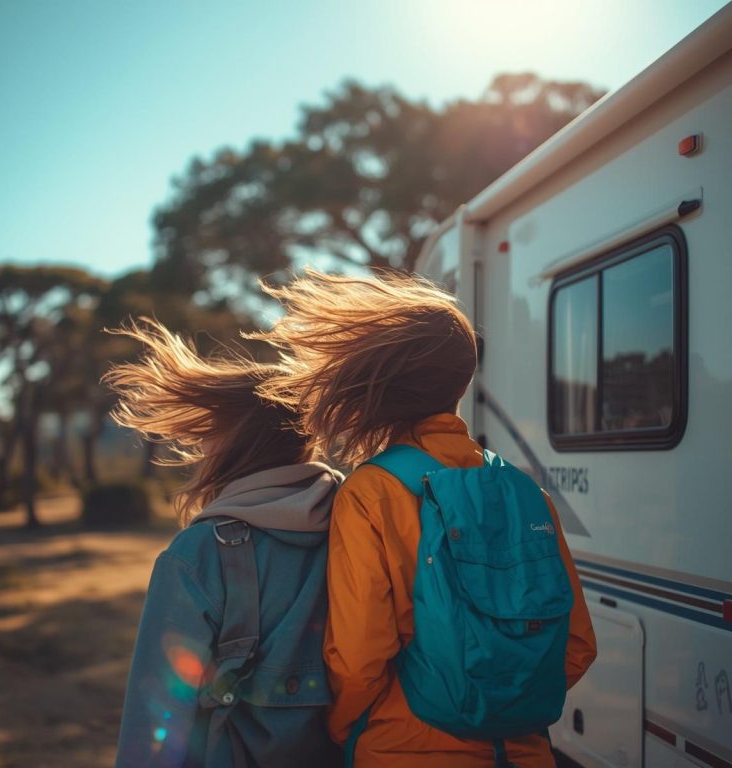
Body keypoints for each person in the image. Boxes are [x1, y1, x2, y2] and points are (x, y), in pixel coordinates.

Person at [253, 270, 597, 768]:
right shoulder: (529, 493)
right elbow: (578, 646)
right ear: (464, 381)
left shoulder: (372, 492)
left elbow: (358, 658)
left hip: (403, 748)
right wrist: (500, 703)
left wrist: (347, 728)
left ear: (386, 384)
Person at [106, 318, 343, 768]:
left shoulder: (198, 555)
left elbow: (155, 725)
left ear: (239, 445)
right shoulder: (359, 524)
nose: (203, 450)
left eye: (210, 436)